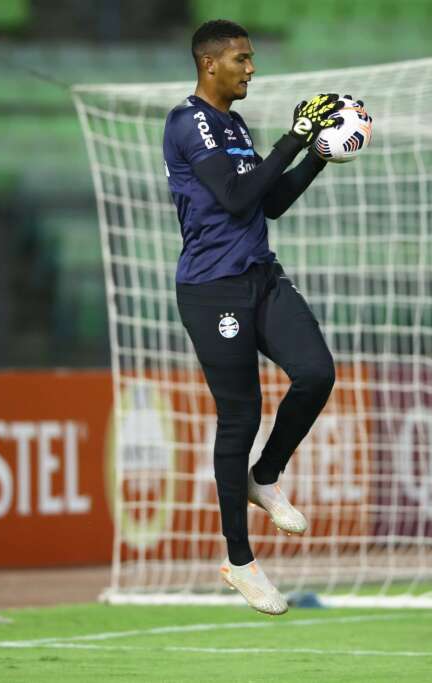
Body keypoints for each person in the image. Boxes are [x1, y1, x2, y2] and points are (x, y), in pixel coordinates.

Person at [162, 19, 342, 615]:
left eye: (252, 57)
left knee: (316, 372)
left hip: (260, 276)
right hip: (212, 289)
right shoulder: (188, 123)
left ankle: (265, 477)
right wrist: (293, 136)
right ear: (210, 63)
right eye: (242, 58)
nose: (252, 68)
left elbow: (268, 202)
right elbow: (237, 198)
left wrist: (315, 154)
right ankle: (240, 562)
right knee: (239, 415)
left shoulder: (236, 126)